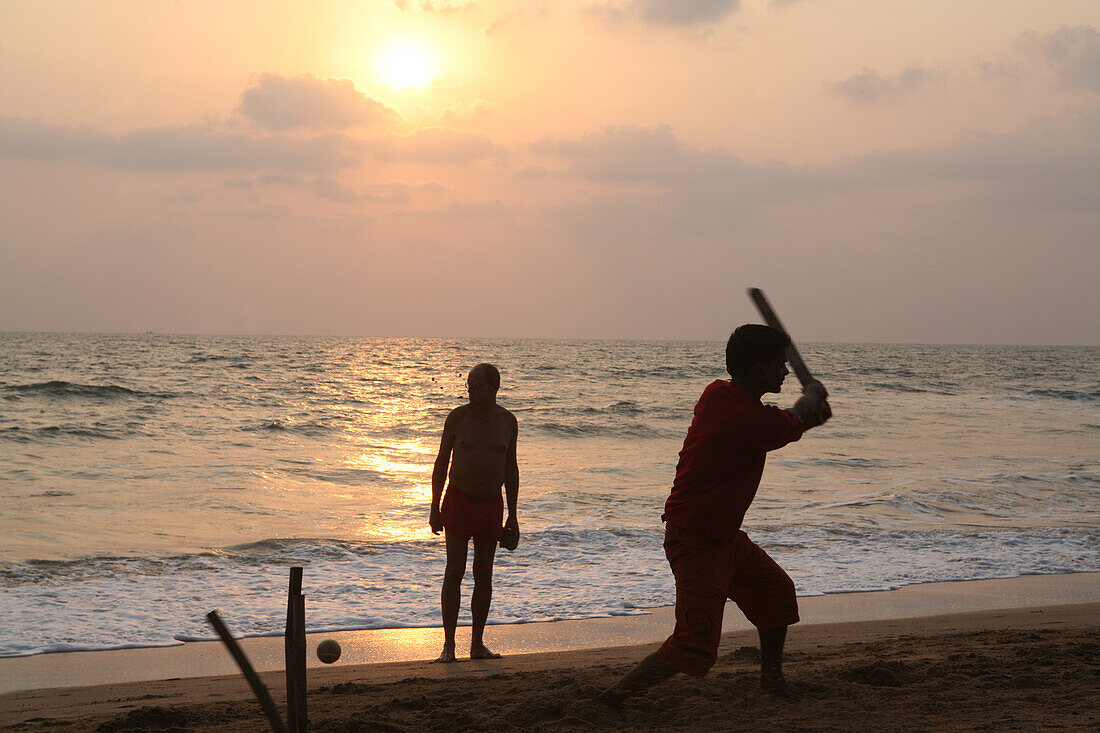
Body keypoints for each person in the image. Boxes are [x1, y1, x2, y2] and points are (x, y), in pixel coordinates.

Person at [595, 325, 831, 711]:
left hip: (722, 537)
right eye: (779, 365)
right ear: (758, 368)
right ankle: (611, 698)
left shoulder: (719, 396)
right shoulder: (740, 415)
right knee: (694, 642)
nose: (785, 373)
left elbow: (786, 422)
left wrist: (808, 412)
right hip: (694, 540)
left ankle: (772, 681)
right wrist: (811, 400)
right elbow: (785, 423)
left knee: (775, 593)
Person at [429, 363, 519, 662]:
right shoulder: (458, 418)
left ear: (493, 387)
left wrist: (514, 517)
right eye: (468, 385)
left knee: (484, 574)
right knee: (454, 571)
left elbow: (510, 468)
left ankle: (477, 644)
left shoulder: (507, 421)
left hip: (490, 503)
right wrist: (434, 507)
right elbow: (441, 463)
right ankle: (448, 646)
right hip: (458, 500)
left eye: (476, 385)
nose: (470, 390)